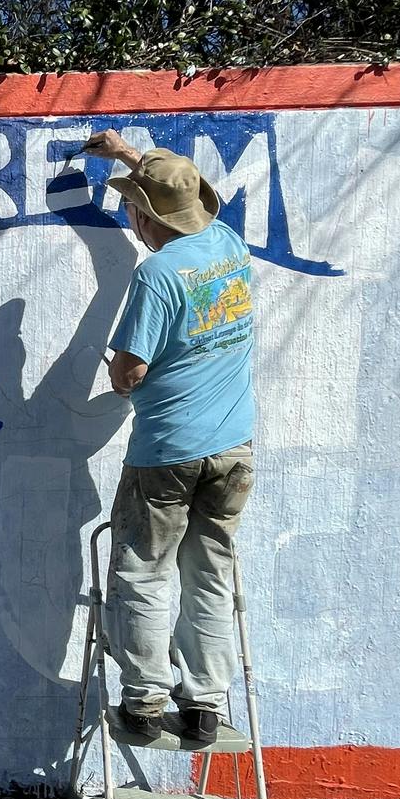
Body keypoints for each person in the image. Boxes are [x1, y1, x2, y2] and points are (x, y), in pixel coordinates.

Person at [80, 129, 255, 745]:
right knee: (208, 572)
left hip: (168, 453)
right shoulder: (227, 244)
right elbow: (176, 187)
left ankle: (146, 700)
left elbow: (130, 375)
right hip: (234, 449)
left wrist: (110, 371)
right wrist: (128, 154)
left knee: (145, 571)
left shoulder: (158, 275)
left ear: (141, 215)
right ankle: (205, 703)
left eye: (133, 204)